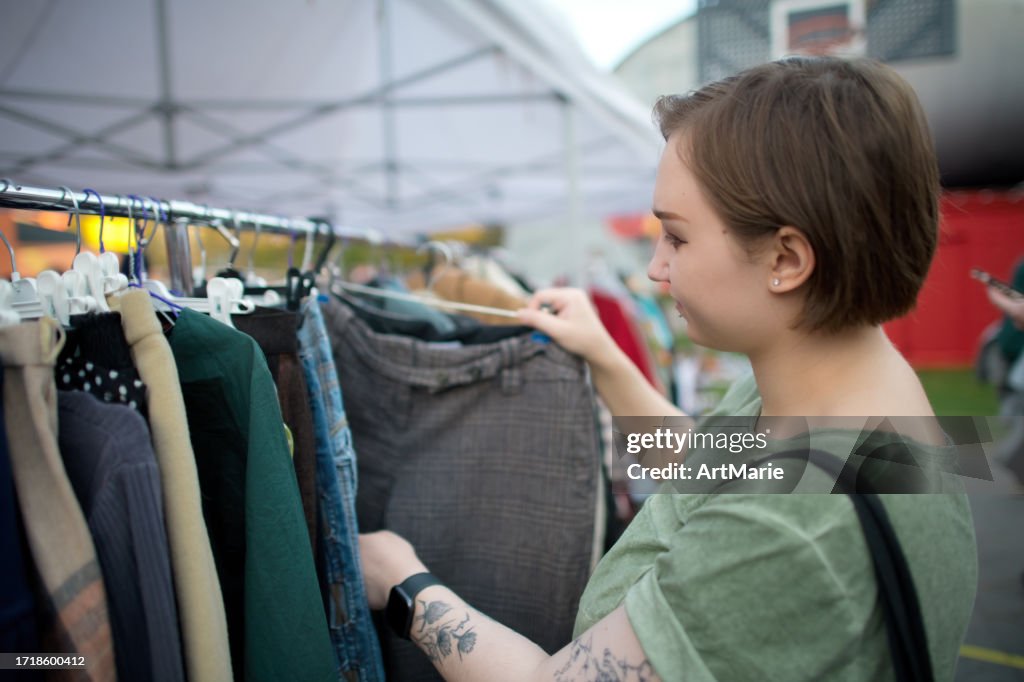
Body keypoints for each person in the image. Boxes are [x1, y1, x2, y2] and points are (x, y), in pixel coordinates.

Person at [359, 56, 978, 681]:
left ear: (787, 259)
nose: (655, 267)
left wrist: (405, 586)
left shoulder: (791, 529)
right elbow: (709, 471)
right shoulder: (830, 392)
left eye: (677, 238)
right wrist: (605, 358)